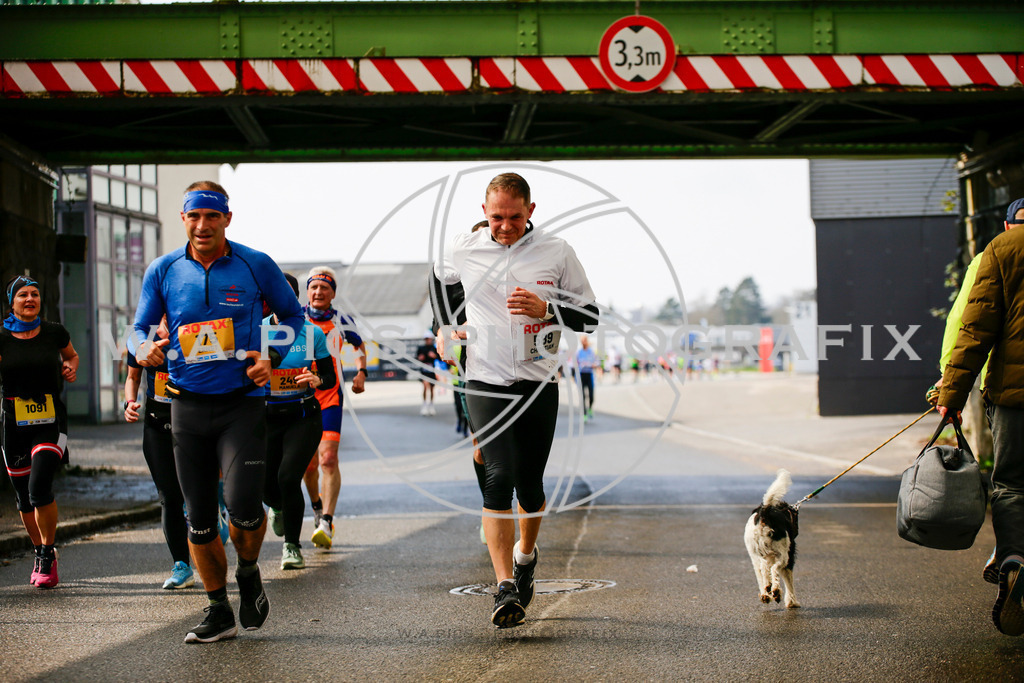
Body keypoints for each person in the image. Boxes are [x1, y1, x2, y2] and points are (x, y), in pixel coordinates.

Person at [133, 181, 305, 644]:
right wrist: (143, 347)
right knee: (200, 518)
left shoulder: (255, 264)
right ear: (183, 218)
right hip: (186, 406)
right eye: (194, 216)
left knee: (245, 508)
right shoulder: (164, 269)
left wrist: (271, 356)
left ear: (227, 218)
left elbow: (293, 317)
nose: (203, 225)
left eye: (212, 216)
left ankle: (247, 570)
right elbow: (138, 327)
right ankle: (217, 610)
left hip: (241, 405)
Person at [432, 172, 599, 627]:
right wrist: (445, 326)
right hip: (484, 378)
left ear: (531, 211)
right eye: (496, 218)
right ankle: (504, 585)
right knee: (498, 477)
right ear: (484, 213)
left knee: (530, 487)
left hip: (538, 381)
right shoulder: (463, 247)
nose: (504, 227)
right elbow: (440, 279)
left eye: (514, 217)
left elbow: (590, 316)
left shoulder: (556, 251)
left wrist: (548, 310)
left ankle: (526, 557)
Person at [937, 197, 1024, 637]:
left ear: (1008, 225)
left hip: (1014, 396)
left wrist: (951, 393)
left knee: (1012, 484)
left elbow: (972, 328)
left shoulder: (1000, 250)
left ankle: (1014, 560)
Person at [0, 275, 79, 589]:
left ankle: (47, 553)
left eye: (34, 293)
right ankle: (39, 550)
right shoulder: (2, 337)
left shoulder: (54, 332)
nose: (30, 299)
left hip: (50, 419)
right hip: (13, 422)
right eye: (23, 295)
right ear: (12, 303)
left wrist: (70, 367)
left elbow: (71, 355)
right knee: (23, 497)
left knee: (39, 487)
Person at [263, 272, 336, 570]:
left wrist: (317, 379)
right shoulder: (256, 330)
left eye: (287, 295)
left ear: (294, 299)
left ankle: (292, 547)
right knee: (265, 485)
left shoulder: (310, 333)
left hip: (303, 415)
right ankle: (277, 506)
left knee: (288, 478)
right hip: (266, 417)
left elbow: (329, 376)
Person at [124, 315, 194, 589]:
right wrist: (129, 402)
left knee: (193, 492)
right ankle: (182, 565)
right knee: (169, 496)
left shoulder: (198, 329)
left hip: (193, 424)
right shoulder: (141, 336)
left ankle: (212, 509)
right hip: (157, 423)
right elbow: (132, 377)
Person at [302, 266, 367, 550]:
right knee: (308, 465)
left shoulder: (341, 320)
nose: (318, 292)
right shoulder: (295, 318)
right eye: (314, 287)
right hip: (300, 396)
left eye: (324, 288)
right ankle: (317, 506)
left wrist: (361, 372)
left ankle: (326, 522)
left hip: (329, 396)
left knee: (328, 459)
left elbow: (359, 345)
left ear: (333, 293)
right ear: (307, 291)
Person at [576, 334, 598, 421]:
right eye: (581, 340)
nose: (583, 342)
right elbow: (574, 364)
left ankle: (590, 408)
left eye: (584, 340)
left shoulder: (591, 352)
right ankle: (584, 414)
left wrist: (593, 365)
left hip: (589, 375)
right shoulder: (579, 352)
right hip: (581, 375)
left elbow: (597, 363)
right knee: (583, 396)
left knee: (591, 396)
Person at [416, 333, 439, 415]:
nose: (427, 340)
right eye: (426, 339)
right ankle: (424, 404)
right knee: (425, 386)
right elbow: (417, 357)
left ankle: (431, 405)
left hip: (431, 370)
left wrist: (434, 356)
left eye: (428, 339)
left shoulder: (434, 348)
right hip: (424, 370)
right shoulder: (421, 348)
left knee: (432, 388)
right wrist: (420, 358)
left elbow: (439, 357)